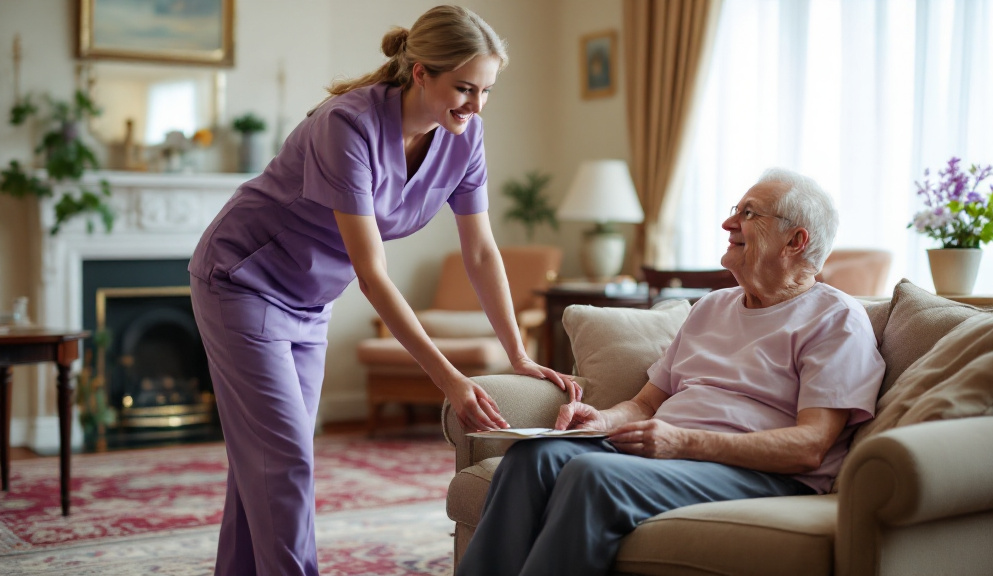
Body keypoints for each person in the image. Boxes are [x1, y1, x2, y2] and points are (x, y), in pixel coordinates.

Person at [188, 6, 579, 575]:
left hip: (310, 300)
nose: (475, 105)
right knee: (285, 462)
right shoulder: (346, 125)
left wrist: (517, 353)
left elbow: (481, 251)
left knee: (266, 464)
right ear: (420, 72)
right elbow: (372, 274)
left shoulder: (463, 135)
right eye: (464, 88)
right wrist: (451, 378)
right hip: (242, 282)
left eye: (487, 90)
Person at [456, 168, 886, 576]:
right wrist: (603, 421)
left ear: (795, 241)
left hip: (763, 473)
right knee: (532, 458)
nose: (727, 223)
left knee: (593, 476)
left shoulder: (836, 318)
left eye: (748, 213)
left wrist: (683, 441)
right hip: (669, 454)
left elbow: (810, 446)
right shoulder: (714, 307)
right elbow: (647, 402)